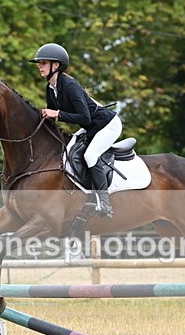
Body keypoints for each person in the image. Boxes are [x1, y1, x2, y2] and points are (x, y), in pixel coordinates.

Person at [29, 43, 121, 218]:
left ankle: (105, 202)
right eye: (39, 63)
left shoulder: (70, 86)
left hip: (107, 124)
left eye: (43, 63)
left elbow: (84, 117)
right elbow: (53, 118)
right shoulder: (50, 88)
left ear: (56, 65)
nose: (39, 66)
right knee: (68, 150)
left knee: (90, 155)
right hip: (90, 127)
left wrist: (56, 113)